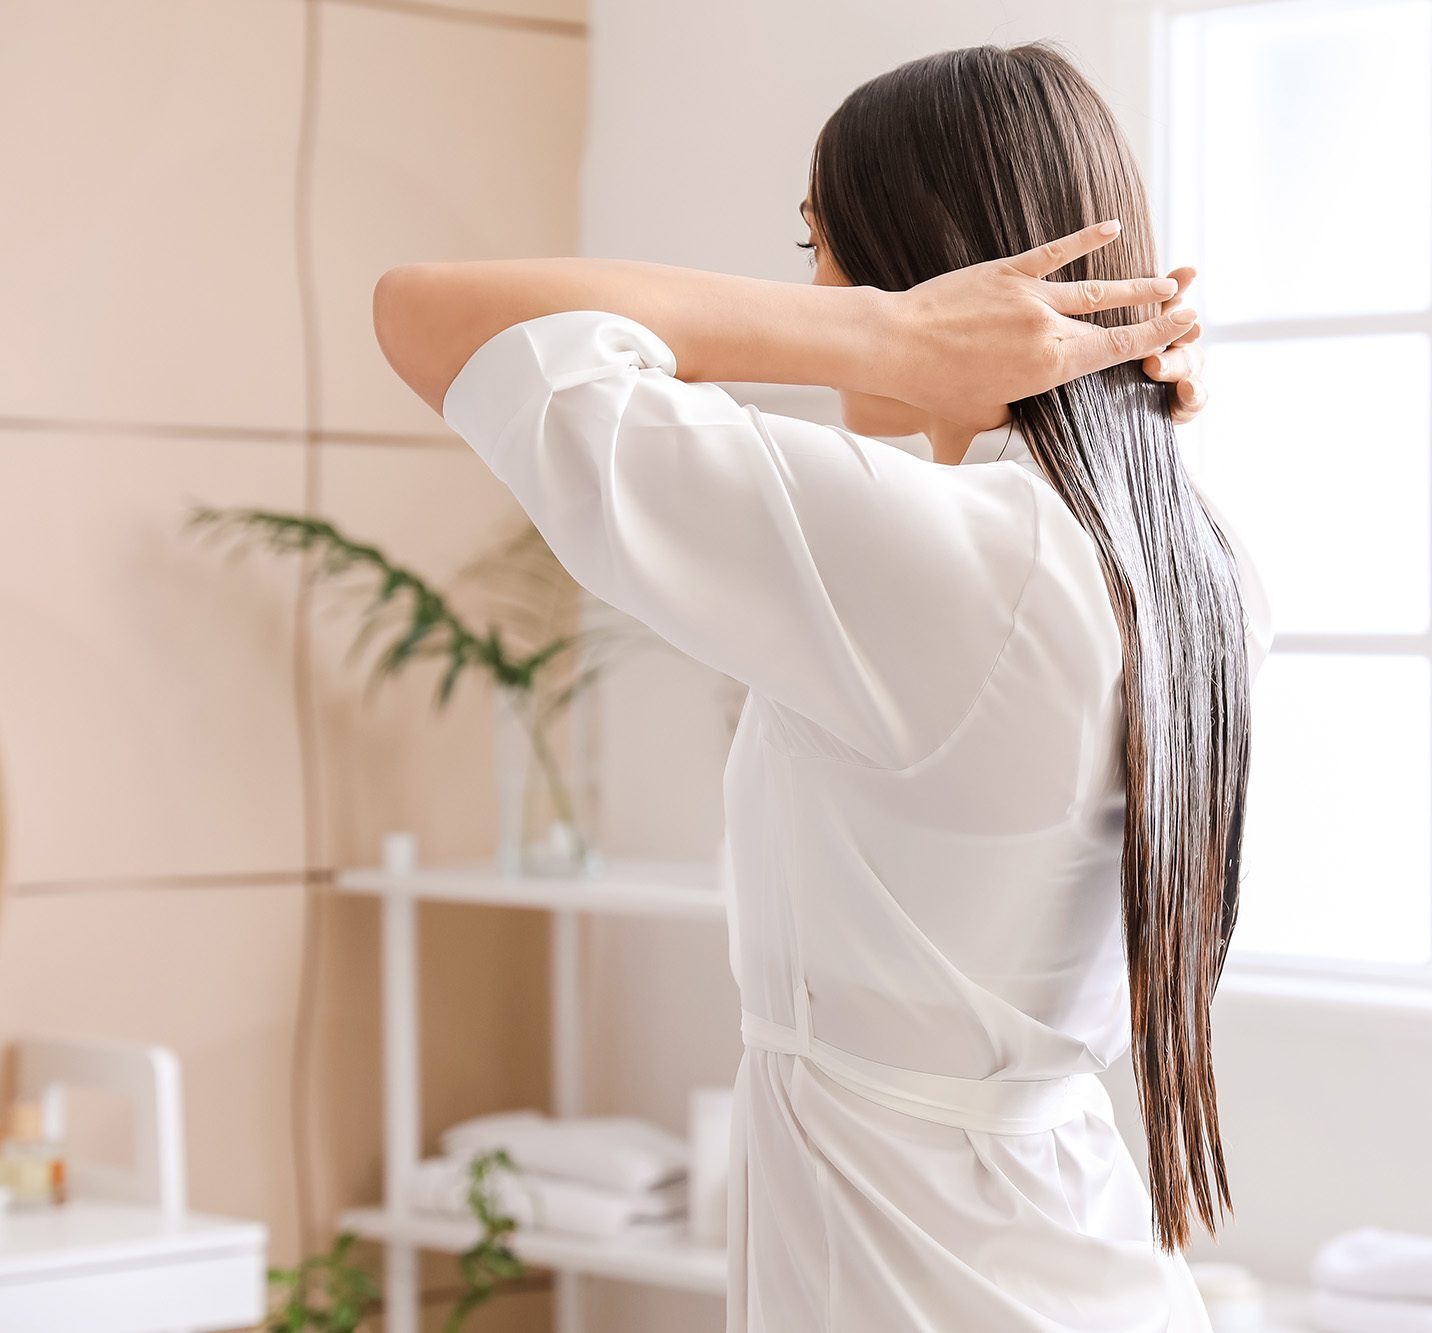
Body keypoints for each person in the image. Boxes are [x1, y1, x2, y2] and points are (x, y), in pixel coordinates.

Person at [374, 39, 1271, 1333]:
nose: (820, 293)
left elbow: (427, 313)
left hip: (925, 1282)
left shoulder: (946, 552)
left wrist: (887, 333)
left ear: (925, 264)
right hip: (1067, 1250)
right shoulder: (1199, 560)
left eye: (823, 253)